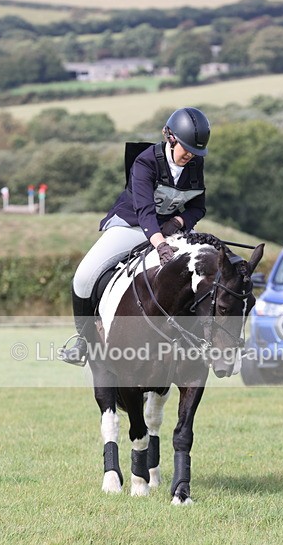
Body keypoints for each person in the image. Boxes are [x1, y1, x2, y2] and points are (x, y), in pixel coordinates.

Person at [60, 106, 211, 366]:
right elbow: (145, 212)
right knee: (84, 276)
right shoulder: (146, 161)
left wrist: (178, 221)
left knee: (208, 264)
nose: (190, 155)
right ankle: (83, 340)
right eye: (186, 148)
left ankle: (202, 338)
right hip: (132, 224)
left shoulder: (195, 162)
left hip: (171, 229)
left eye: (195, 151)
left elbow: (198, 207)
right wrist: (160, 245)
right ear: (170, 138)